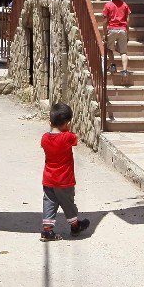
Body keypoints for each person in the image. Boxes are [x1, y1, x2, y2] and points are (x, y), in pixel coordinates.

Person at [39, 103, 91, 242]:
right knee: (68, 204)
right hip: (64, 180)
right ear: (67, 123)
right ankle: (75, 226)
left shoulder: (44, 138)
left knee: (49, 203)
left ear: (50, 122)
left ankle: (47, 230)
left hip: (48, 178)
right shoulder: (67, 137)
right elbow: (75, 140)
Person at [102, 0, 132, 77]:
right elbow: (127, 20)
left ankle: (113, 65)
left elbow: (105, 21)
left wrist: (104, 33)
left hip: (111, 29)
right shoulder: (125, 5)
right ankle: (124, 71)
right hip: (122, 29)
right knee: (123, 52)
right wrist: (128, 33)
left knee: (108, 48)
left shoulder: (108, 5)